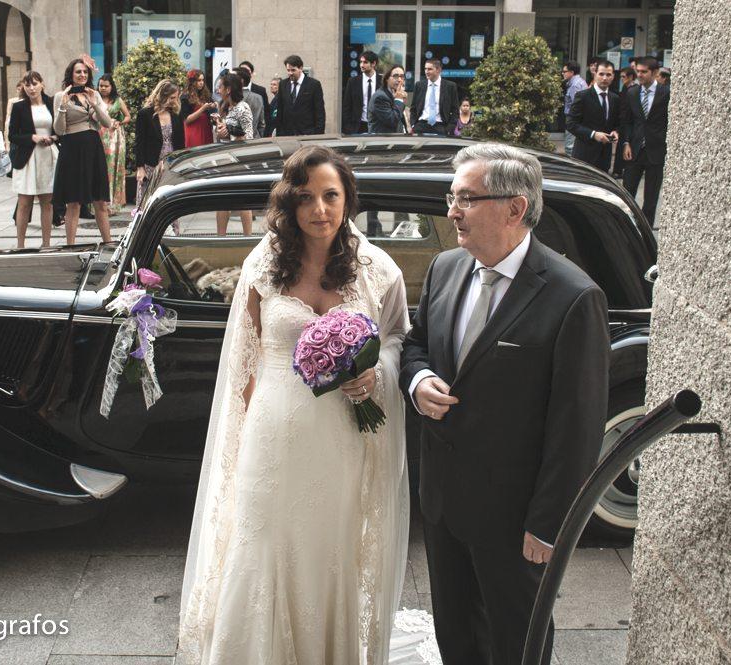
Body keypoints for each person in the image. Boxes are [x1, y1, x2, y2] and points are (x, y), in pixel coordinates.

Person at [178, 145, 419, 663]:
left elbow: (398, 336)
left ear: (347, 198)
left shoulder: (378, 269)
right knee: (262, 544)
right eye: (306, 197)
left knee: (328, 551)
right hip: (270, 439)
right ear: (289, 203)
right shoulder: (264, 265)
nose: (319, 209)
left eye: (331, 196)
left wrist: (376, 370)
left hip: (342, 441)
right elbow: (243, 362)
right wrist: (243, 437)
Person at [400, 142, 609, 665]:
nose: (453, 212)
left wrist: (549, 523)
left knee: (517, 642)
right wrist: (418, 380)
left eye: (467, 199)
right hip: (444, 504)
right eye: (452, 197)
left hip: (515, 520)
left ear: (516, 208)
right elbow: (416, 344)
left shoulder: (573, 296)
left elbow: (577, 426)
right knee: (456, 637)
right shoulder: (446, 268)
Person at [52, 58, 114, 244]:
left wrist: (94, 103)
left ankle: (108, 243)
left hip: (93, 148)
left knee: (100, 201)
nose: (82, 75)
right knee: (73, 202)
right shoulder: (61, 96)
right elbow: (59, 130)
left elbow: (107, 123)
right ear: (71, 74)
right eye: (78, 72)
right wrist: (63, 107)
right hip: (72, 149)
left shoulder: (94, 94)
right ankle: (70, 246)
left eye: (85, 72)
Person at [8, 70, 57, 249]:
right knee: (24, 202)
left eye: (34, 84)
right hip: (27, 158)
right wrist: (32, 137)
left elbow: (60, 129)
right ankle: (20, 245)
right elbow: (12, 135)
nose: (31, 88)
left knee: (47, 202)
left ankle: (46, 244)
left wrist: (54, 138)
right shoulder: (19, 107)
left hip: (48, 156)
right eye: (27, 85)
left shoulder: (52, 103)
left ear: (42, 84)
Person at [620, 56, 670, 226]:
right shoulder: (632, 92)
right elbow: (627, 121)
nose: (639, 75)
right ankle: (626, 226)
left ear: (655, 73)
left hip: (656, 150)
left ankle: (646, 229)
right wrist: (626, 143)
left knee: (651, 196)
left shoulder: (666, 93)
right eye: (638, 71)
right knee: (627, 192)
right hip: (634, 150)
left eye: (644, 72)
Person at [212, 72, 253, 236]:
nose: (218, 90)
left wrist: (229, 132)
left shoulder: (243, 107)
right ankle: (220, 238)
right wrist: (219, 126)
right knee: (222, 200)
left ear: (228, 89)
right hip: (224, 158)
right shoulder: (224, 107)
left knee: (243, 201)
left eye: (221, 87)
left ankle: (248, 238)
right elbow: (222, 135)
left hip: (239, 160)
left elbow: (249, 136)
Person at [134, 80, 185, 209]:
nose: (175, 101)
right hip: (151, 164)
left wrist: (181, 165)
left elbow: (181, 142)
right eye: (172, 97)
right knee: (148, 203)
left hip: (170, 164)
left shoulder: (176, 114)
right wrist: (140, 168)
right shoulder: (145, 114)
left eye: (176, 97)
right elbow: (139, 142)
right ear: (163, 96)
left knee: (169, 203)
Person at [566, 60, 619, 172]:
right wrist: (593, 134)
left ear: (613, 76)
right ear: (595, 74)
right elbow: (571, 124)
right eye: (601, 74)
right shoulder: (583, 96)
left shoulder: (614, 98)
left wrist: (615, 131)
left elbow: (615, 123)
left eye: (608, 75)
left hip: (604, 157)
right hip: (584, 156)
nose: (604, 78)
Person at [98, 73, 131, 214]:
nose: (103, 88)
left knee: (113, 168)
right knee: (100, 169)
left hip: (115, 138)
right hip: (98, 135)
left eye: (106, 86)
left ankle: (113, 205)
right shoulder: (95, 98)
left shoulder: (118, 100)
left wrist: (120, 122)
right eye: (101, 85)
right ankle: (98, 205)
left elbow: (128, 116)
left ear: (112, 87)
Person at [272, 55, 325, 136]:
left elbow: (319, 112)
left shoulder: (313, 85)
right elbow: (280, 111)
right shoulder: (283, 84)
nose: (290, 73)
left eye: (293, 70)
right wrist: (280, 134)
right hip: (287, 135)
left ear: (301, 68)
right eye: (288, 70)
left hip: (308, 134)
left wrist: (318, 135)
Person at [409, 59, 459, 136]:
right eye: (425, 69)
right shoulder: (419, 85)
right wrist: (413, 125)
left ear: (438, 70)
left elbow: (455, 110)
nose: (426, 71)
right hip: (421, 126)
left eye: (430, 69)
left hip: (441, 127)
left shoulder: (450, 86)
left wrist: (449, 129)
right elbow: (413, 108)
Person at [342, 50, 381, 134]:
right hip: (357, 127)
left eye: (365, 62)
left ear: (373, 63)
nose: (361, 65)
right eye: (361, 62)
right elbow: (346, 106)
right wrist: (348, 128)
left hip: (378, 126)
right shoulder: (353, 82)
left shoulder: (382, 81)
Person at [611, 67, 638, 178]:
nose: (622, 79)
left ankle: (622, 170)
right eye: (621, 77)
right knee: (620, 146)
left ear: (631, 77)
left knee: (626, 144)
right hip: (622, 121)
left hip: (629, 121)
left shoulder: (635, 89)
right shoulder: (624, 88)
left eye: (624, 76)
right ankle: (618, 170)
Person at [180, 69, 216, 149]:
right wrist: (202, 109)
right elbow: (187, 120)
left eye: (203, 80)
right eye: (199, 80)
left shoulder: (205, 94)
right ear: (192, 82)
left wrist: (214, 105)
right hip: (194, 131)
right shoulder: (185, 97)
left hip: (206, 129)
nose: (201, 83)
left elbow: (211, 106)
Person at [368, 64, 407, 134]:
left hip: (397, 138)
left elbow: (400, 120)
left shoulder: (394, 94)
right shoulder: (380, 97)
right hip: (383, 139)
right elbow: (393, 120)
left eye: (402, 76)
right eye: (395, 76)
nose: (399, 80)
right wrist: (399, 100)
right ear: (387, 78)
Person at [561, 61, 588, 156]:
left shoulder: (574, 85)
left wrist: (573, 122)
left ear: (572, 72)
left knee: (569, 147)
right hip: (579, 119)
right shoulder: (580, 81)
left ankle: (571, 164)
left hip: (574, 119)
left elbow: (576, 106)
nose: (562, 73)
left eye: (565, 71)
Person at [238, 60, 271, 136]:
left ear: (251, 73)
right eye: (241, 71)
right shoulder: (232, 93)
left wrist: (265, 135)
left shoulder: (260, 91)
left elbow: (265, 113)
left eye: (247, 71)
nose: (244, 73)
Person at [235, 66, 265, 139]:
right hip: (255, 139)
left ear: (241, 81)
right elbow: (261, 124)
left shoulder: (232, 97)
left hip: (237, 142)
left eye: (233, 78)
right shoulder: (258, 97)